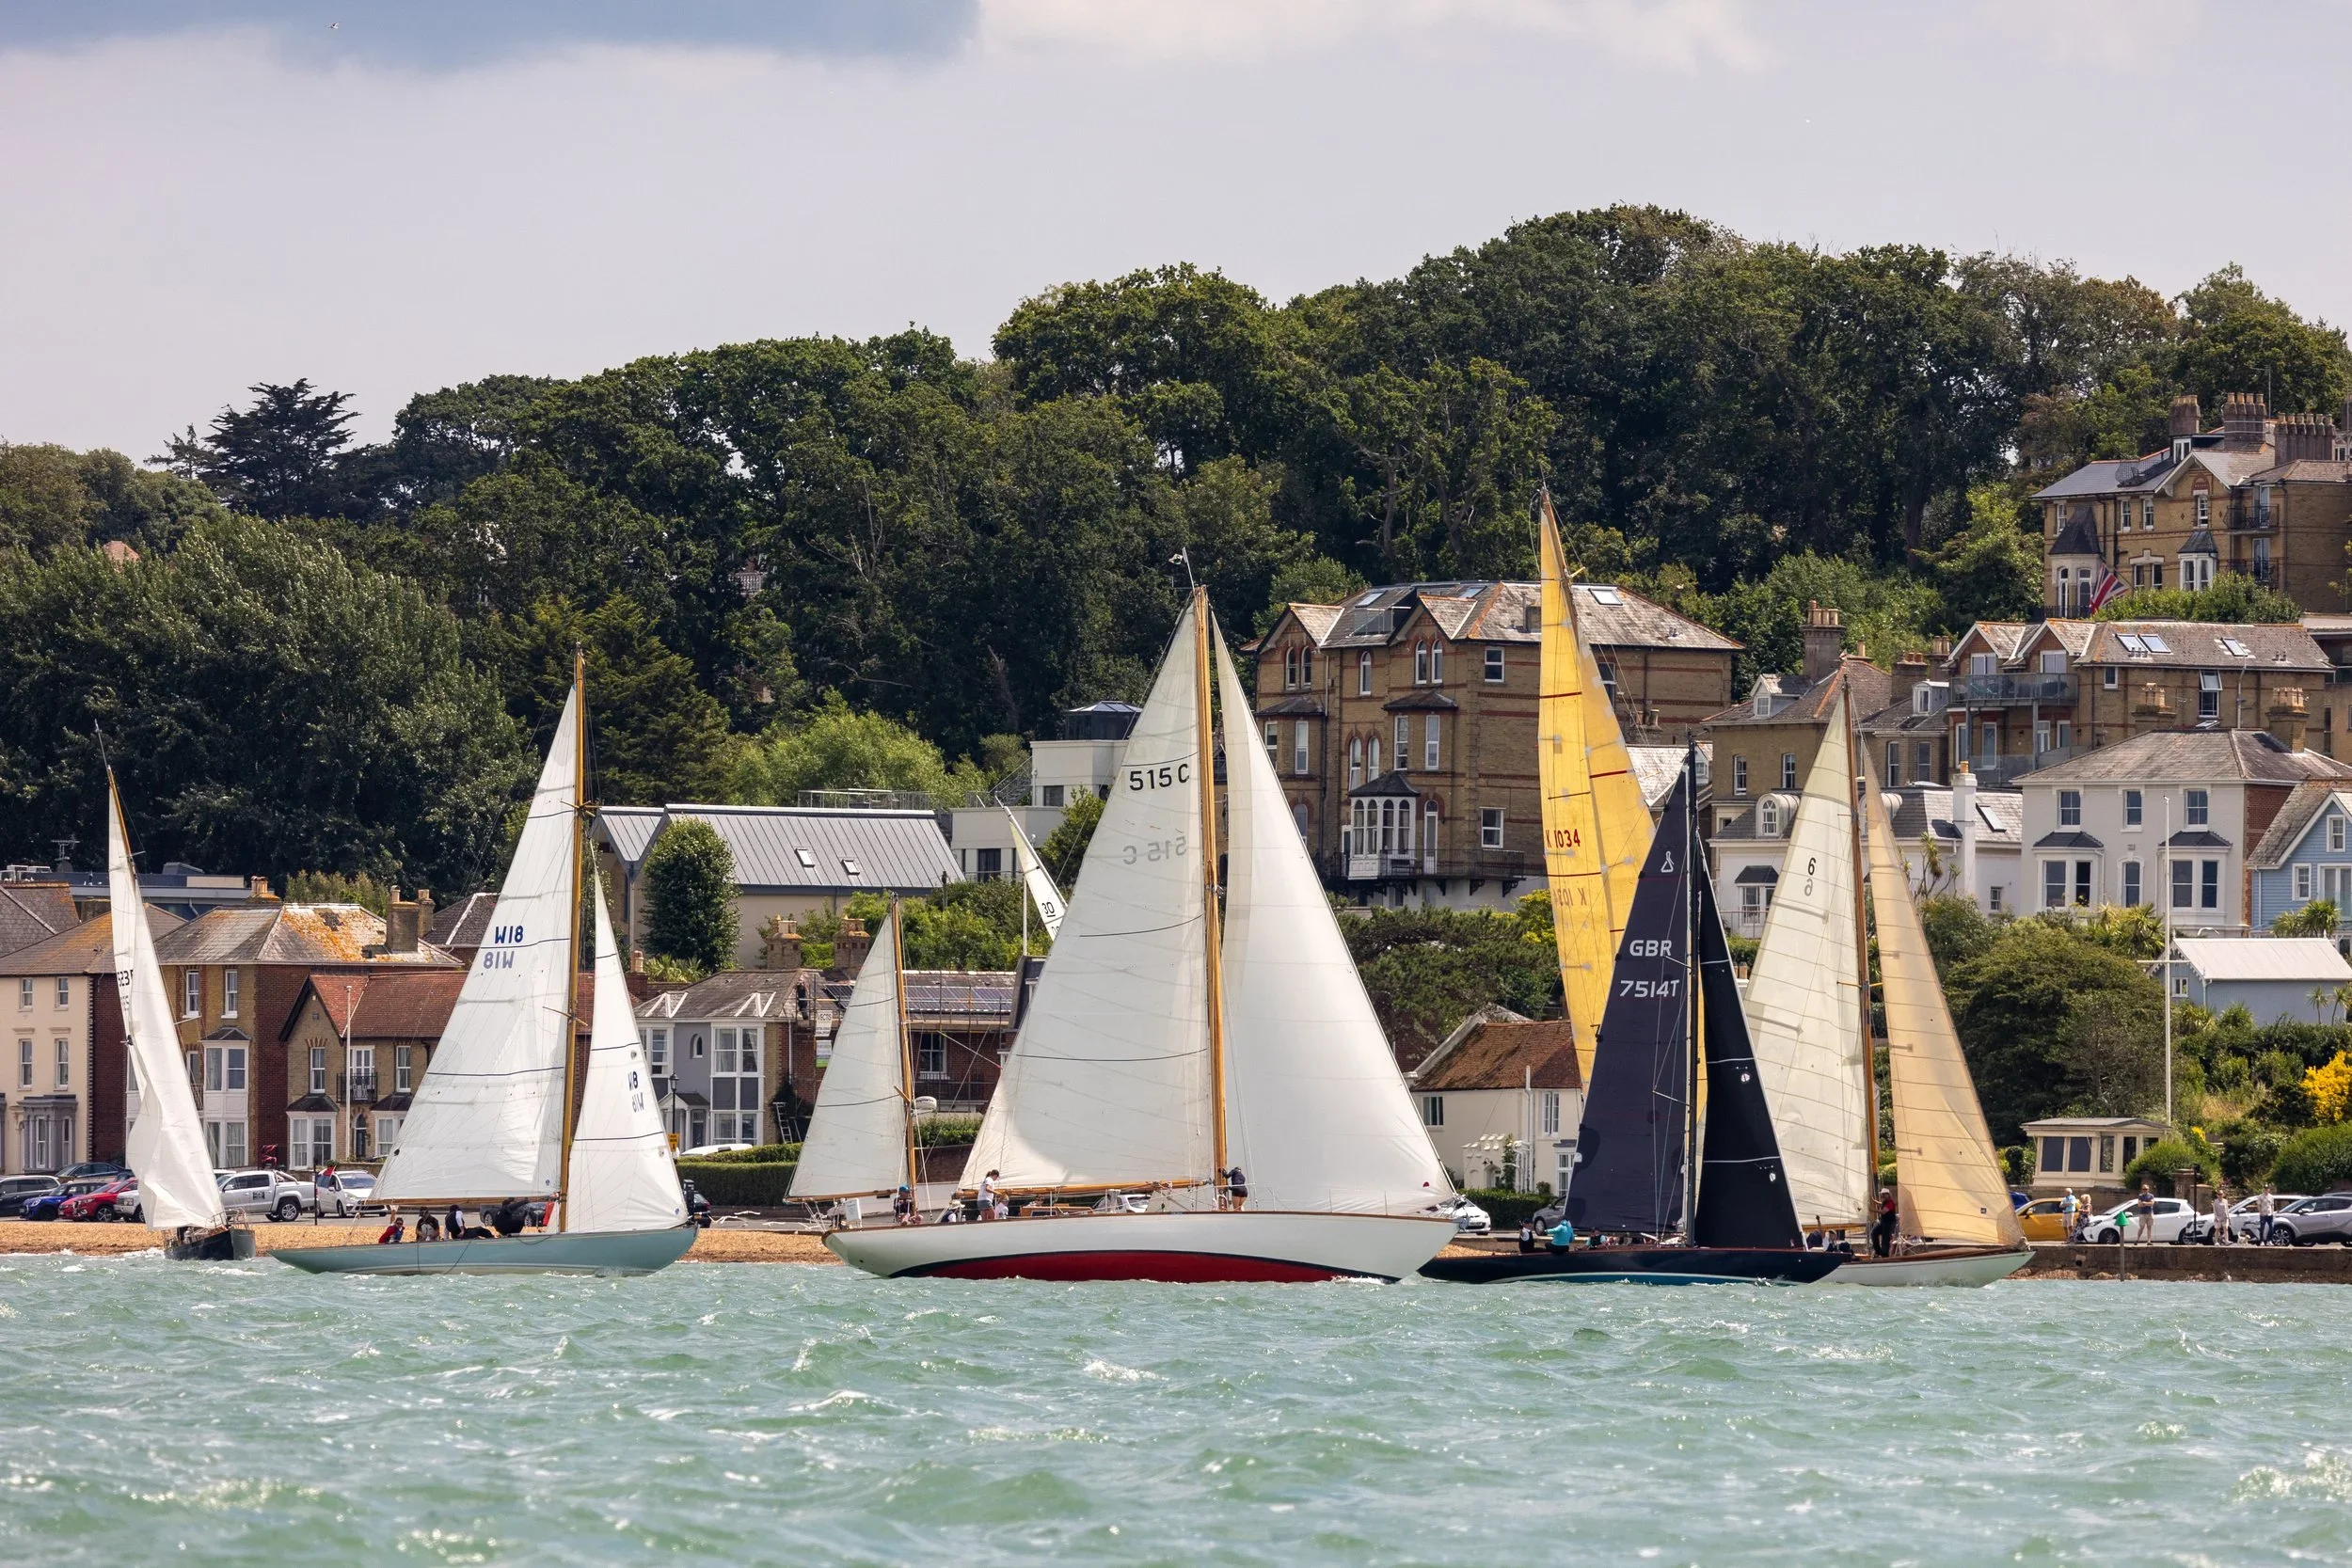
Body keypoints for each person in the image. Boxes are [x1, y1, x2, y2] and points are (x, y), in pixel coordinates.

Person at [1870, 1190, 1899, 1258]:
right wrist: (1873, 1200)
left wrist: (1872, 1210)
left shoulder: (1890, 1203)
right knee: (1873, 1233)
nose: (1882, 1196)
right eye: (1882, 1194)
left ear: (1888, 1195)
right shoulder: (1885, 1202)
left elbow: (1883, 1212)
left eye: (1885, 1194)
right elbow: (1880, 1204)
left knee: (1885, 1239)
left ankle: (1884, 1254)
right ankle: (1878, 1251)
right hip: (1883, 1223)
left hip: (1889, 1224)